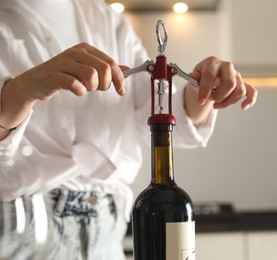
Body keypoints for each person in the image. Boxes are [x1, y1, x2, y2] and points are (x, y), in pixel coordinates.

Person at [0, 0, 257, 259]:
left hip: (108, 233)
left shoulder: (107, 19)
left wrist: (203, 91)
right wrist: (17, 93)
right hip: (23, 227)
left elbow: (164, 118)